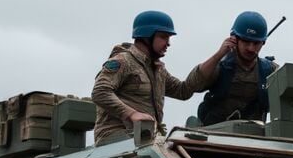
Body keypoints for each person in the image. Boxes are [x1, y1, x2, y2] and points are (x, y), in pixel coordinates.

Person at [92, 10, 232, 144]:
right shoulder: (123, 61)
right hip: (114, 137)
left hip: (142, 138)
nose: (168, 43)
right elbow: (100, 91)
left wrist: (218, 56)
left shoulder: (157, 69)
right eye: (164, 37)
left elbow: (183, 90)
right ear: (147, 36)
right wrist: (132, 114)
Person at [195, 11, 293, 126]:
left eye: (256, 43)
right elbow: (191, 86)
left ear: (263, 42)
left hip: (251, 144)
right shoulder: (220, 65)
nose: (251, 48)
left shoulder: (269, 71)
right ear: (234, 38)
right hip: (212, 137)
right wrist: (218, 55)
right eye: (246, 41)